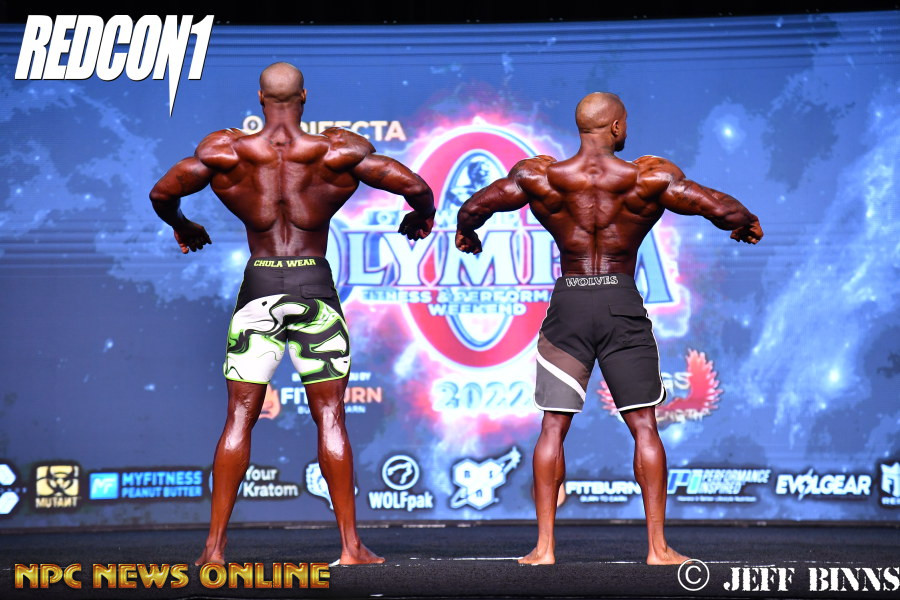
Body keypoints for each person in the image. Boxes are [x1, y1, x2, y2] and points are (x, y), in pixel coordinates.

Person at [455, 92, 762, 565]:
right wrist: (745, 223)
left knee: (552, 426)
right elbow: (719, 208)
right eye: (626, 123)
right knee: (644, 426)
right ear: (616, 127)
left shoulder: (540, 177)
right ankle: (657, 549)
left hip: (570, 302)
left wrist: (468, 233)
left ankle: (543, 548)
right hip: (620, 302)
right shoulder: (648, 177)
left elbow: (475, 207)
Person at [149, 62, 435, 565]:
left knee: (239, 416)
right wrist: (420, 216)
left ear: (261, 98)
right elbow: (414, 186)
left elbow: (162, 193)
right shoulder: (338, 150)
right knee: (330, 415)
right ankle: (350, 547)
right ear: (305, 96)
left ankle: (213, 550)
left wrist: (184, 225)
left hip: (259, 285)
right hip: (313, 287)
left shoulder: (225, 151)